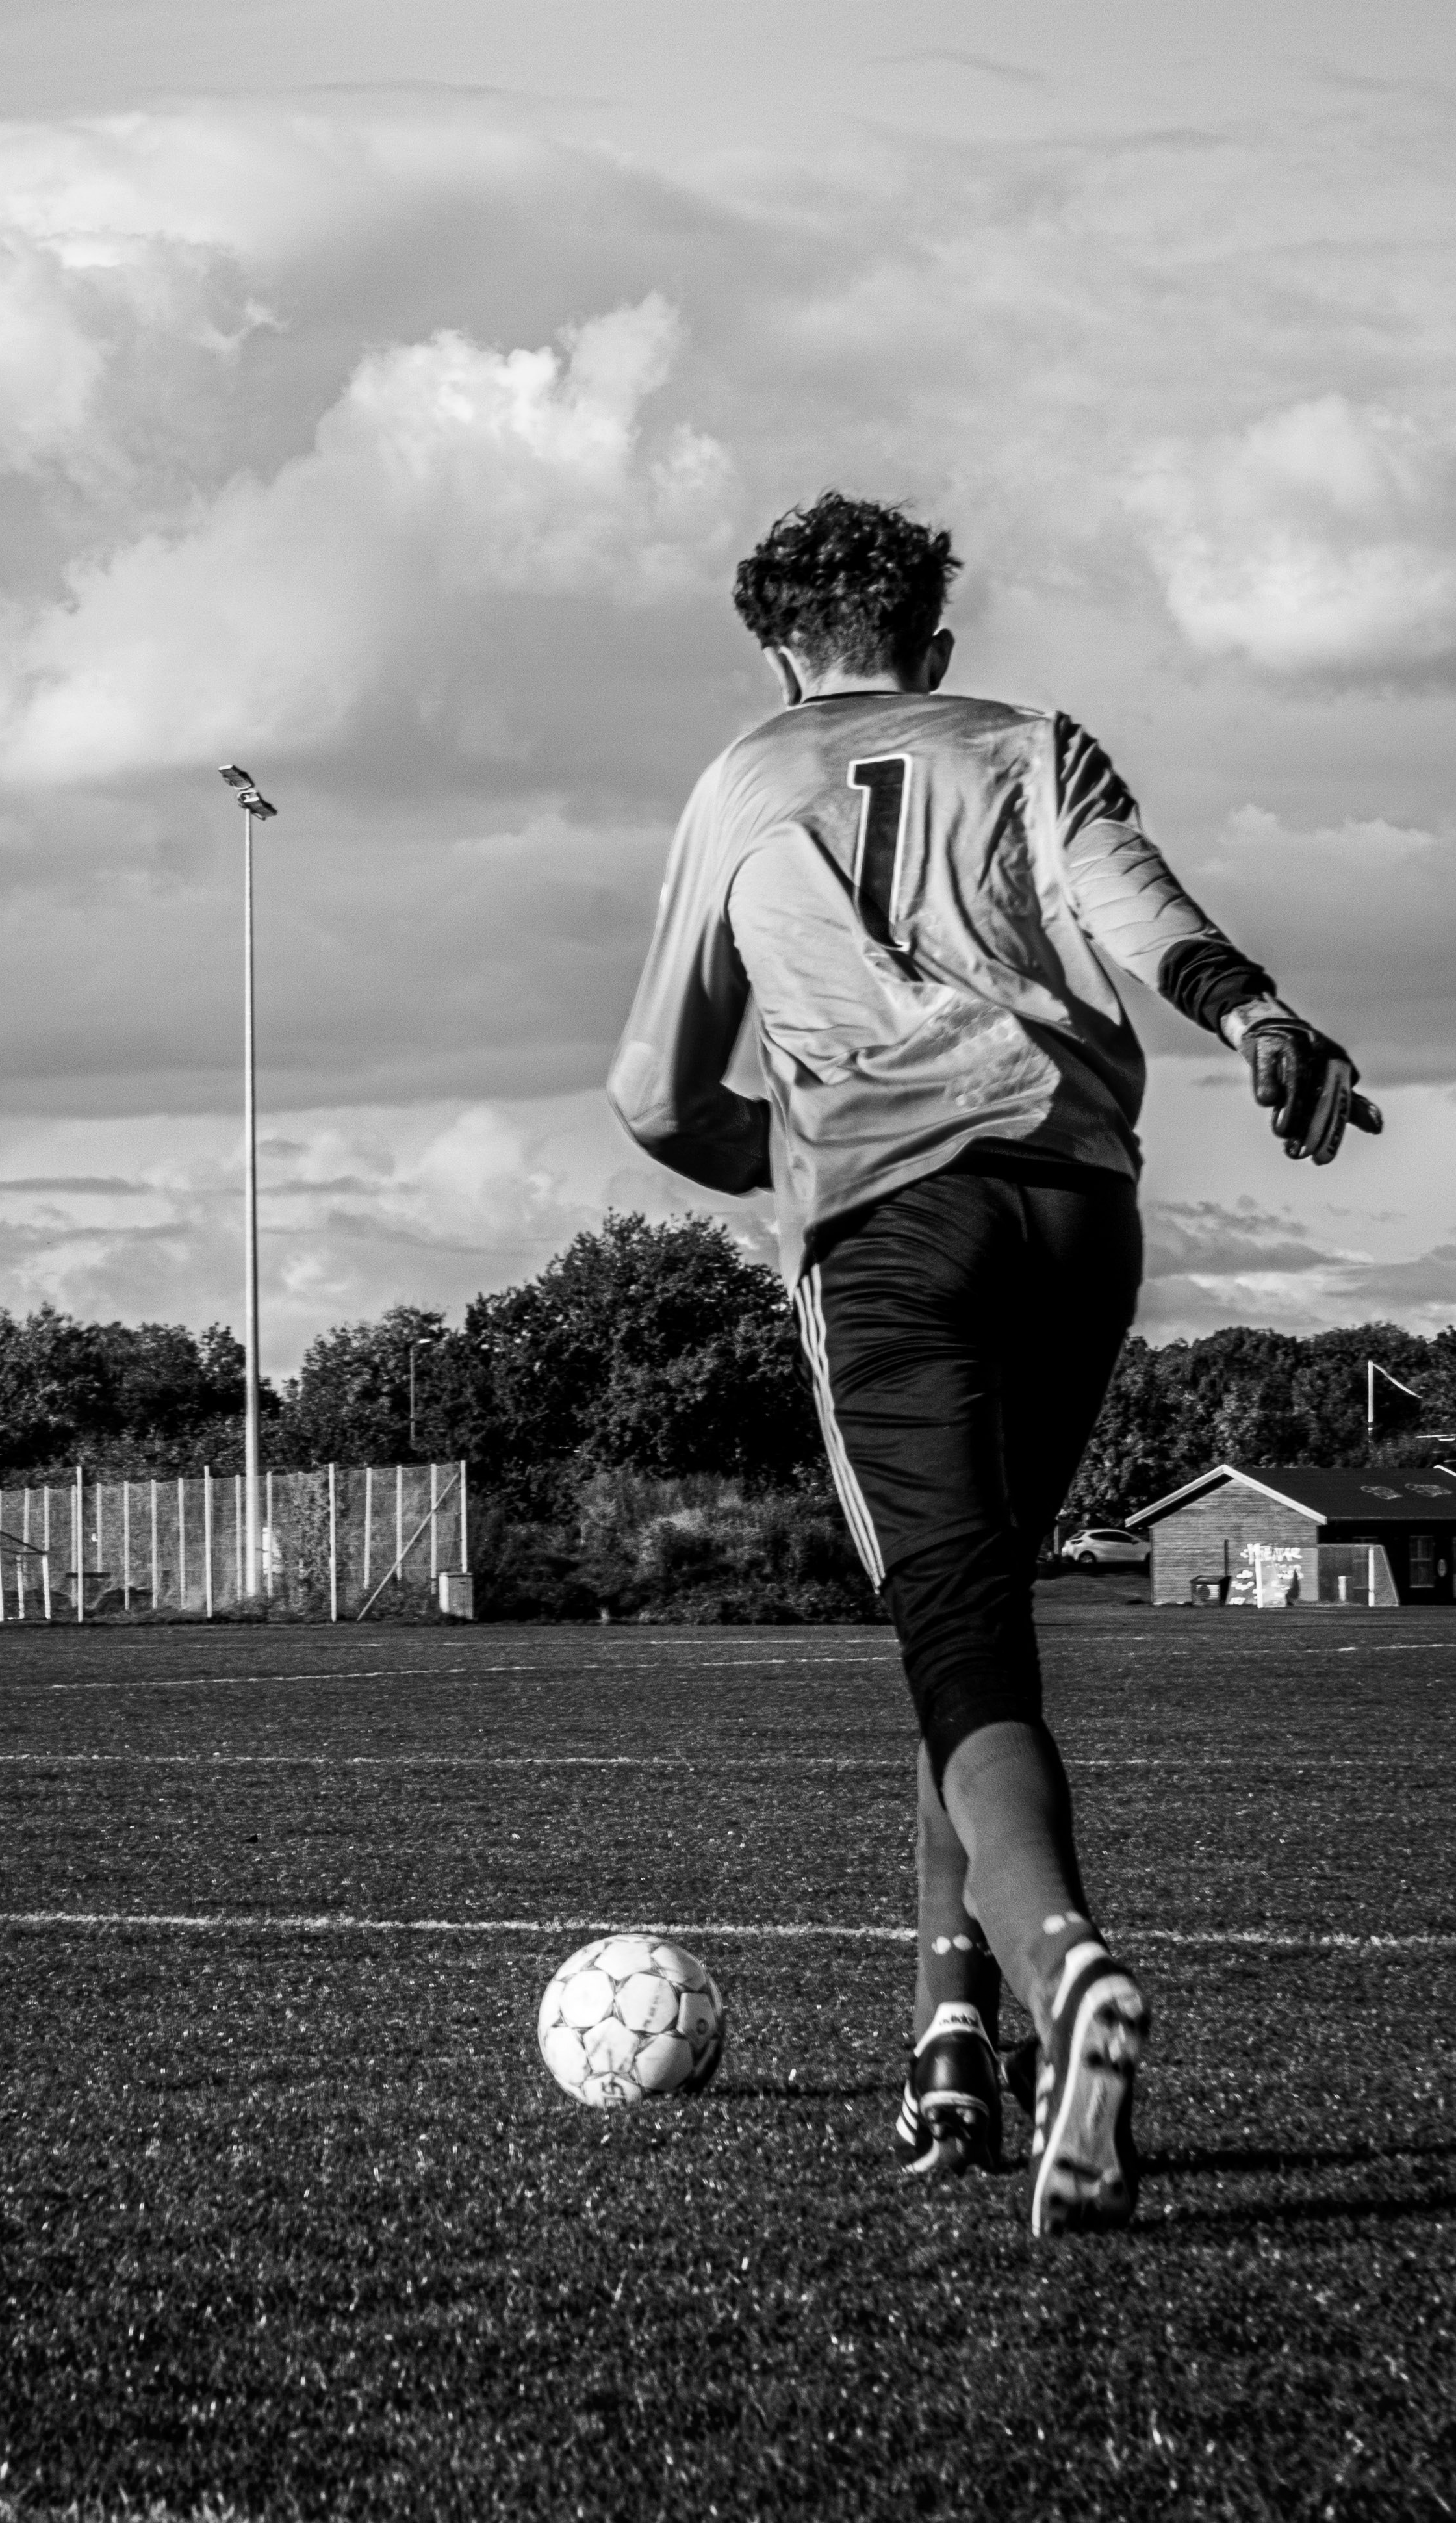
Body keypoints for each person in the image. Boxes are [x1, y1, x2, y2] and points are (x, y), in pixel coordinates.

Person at [607, 491, 1379, 2237]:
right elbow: (1157, 925)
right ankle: (956, 2034)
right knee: (981, 1642)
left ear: (776, 653)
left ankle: (1060, 1970)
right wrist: (1259, 1018)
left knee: (958, 1639)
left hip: (893, 1231)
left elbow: (658, 1094)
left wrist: (789, 1158)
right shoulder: (1034, 746)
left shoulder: (743, 780)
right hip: (1074, 1214)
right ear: (932, 648)